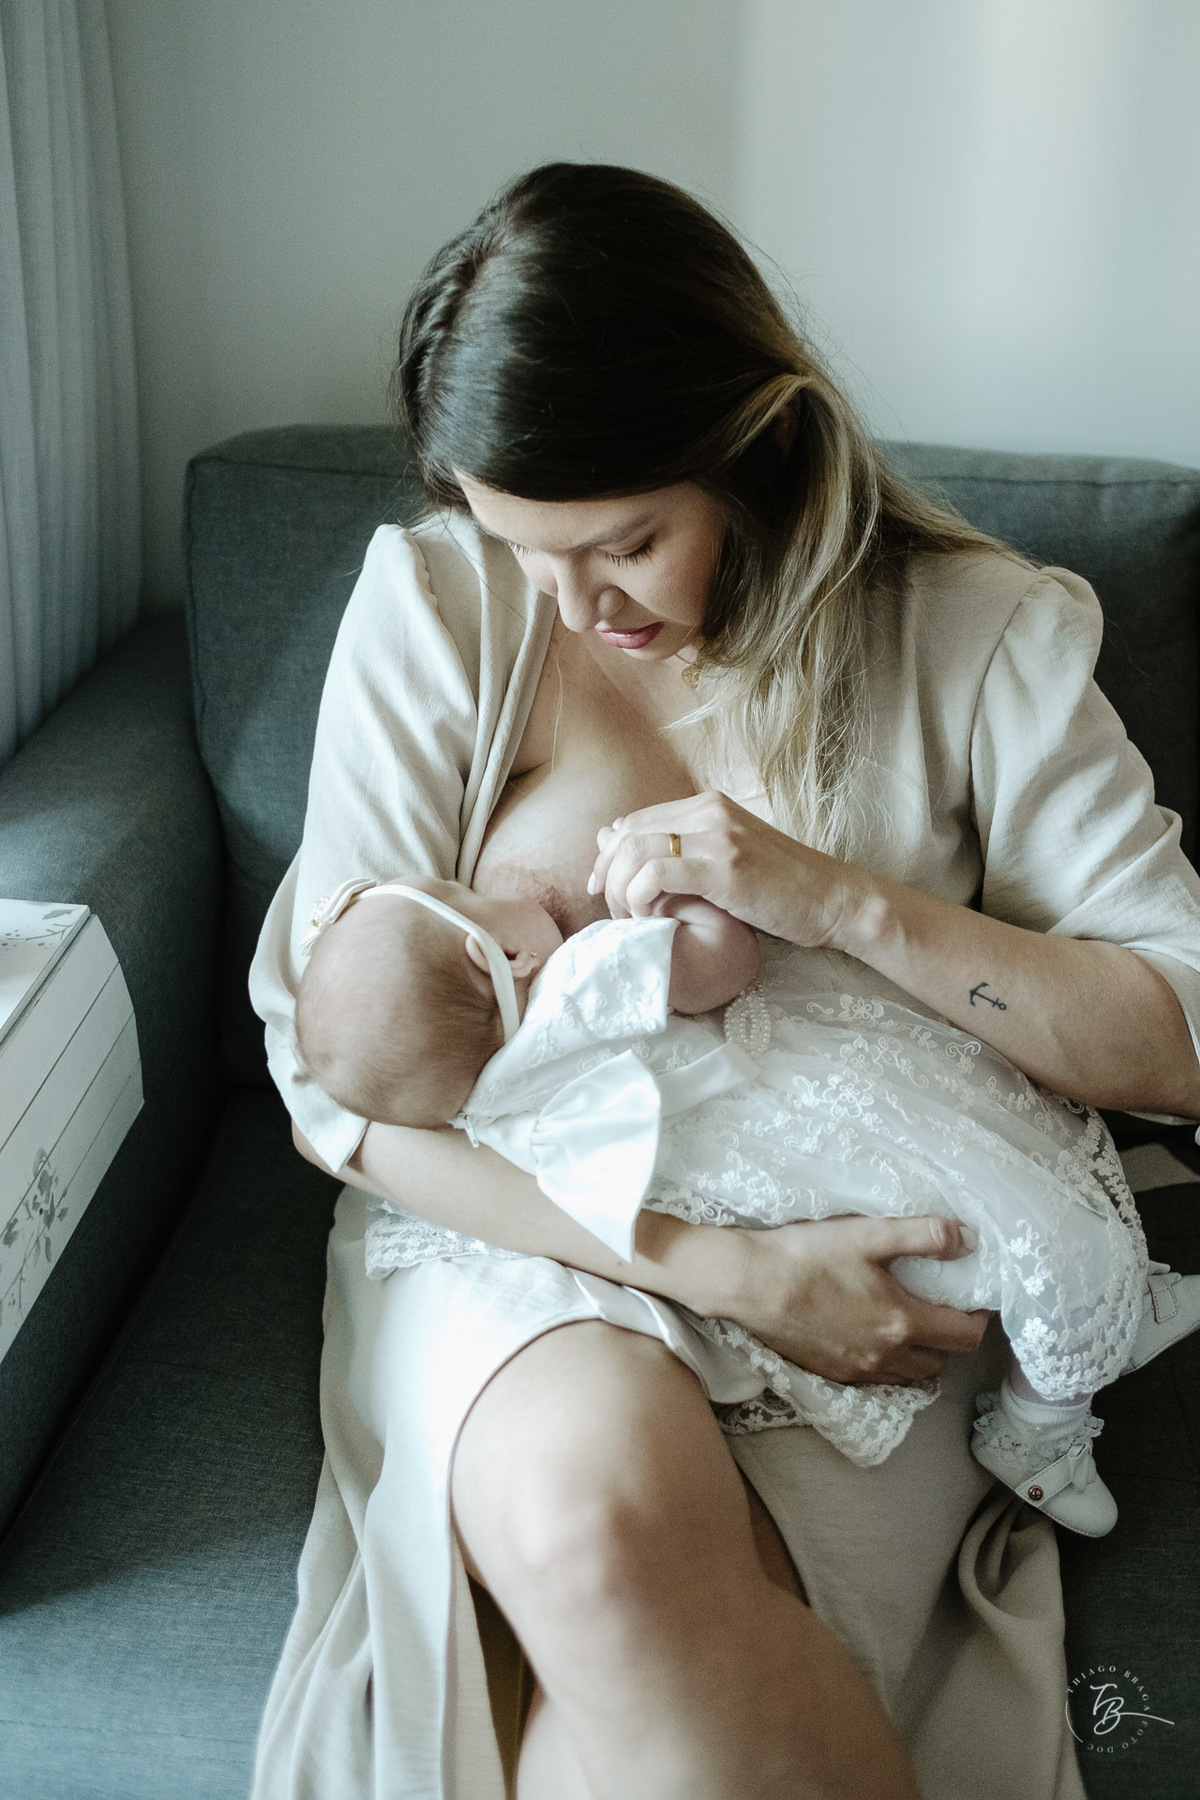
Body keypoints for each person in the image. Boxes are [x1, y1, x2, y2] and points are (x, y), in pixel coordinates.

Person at [248, 162, 1200, 1799]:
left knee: (657, 1692)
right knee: (594, 1514)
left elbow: (1178, 1039)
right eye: (519, 544)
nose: (572, 606)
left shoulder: (980, 641)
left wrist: (830, 898)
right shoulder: (437, 611)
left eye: (624, 543)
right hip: (522, 1225)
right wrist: (712, 1270)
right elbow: (338, 1079)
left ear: (754, 447)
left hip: (858, 1272)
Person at [293, 872, 1197, 1538]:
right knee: (1009, 1217)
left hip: (767, 1209)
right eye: (464, 887)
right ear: (503, 955)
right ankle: (1042, 1423)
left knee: (984, 1235)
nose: (483, 880)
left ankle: (1097, 1318)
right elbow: (721, 968)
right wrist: (672, 902)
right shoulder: (580, 981)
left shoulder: (488, 1113)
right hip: (827, 1142)